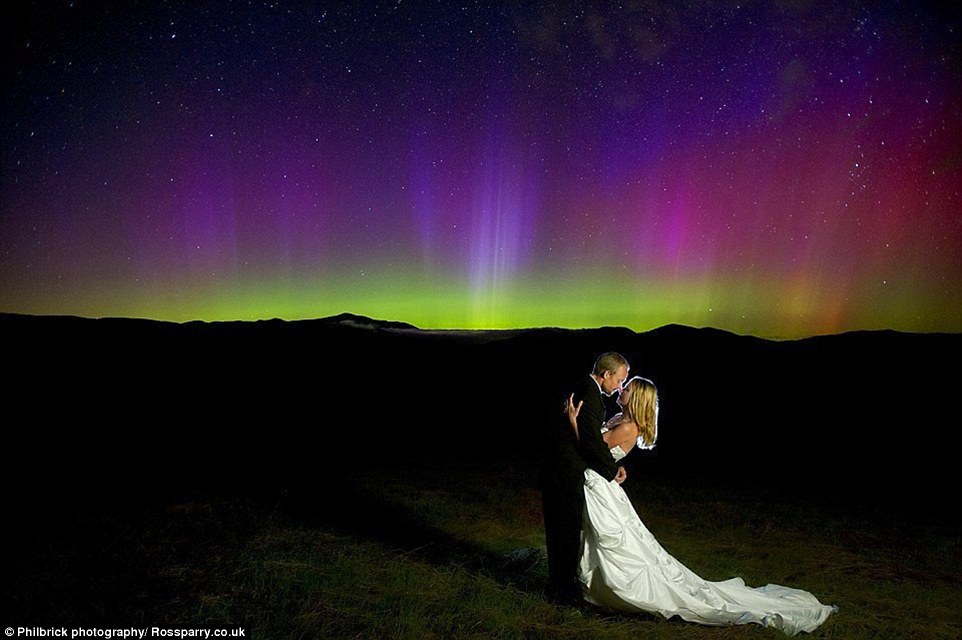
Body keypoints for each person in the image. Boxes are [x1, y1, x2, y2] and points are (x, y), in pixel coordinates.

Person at [567, 378, 837, 636]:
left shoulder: (628, 427)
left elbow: (591, 448)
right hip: (600, 480)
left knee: (612, 542)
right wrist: (615, 465)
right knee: (601, 538)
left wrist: (572, 421)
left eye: (628, 388)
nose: (621, 390)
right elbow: (603, 453)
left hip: (600, 484)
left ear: (635, 398)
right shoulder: (620, 420)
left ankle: (605, 590)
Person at [540, 352, 630, 605]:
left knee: (562, 529)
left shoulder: (581, 387)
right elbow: (591, 440)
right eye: (619, 379)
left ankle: (560, 586)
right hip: (565, 471)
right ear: (606, 374)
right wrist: (612, 471)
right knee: (565, 530)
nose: (619, 386)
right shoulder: (590, 394)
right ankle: (563, 592)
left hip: (559, 468)